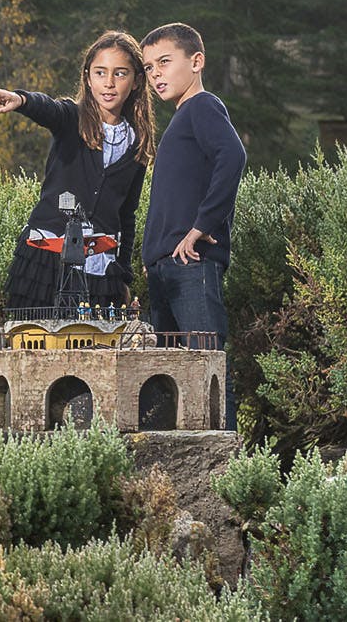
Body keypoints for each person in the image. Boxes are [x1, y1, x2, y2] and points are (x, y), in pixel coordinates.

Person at [0, 30, 155, 319]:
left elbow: (127, 214)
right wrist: (22, 100)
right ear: (87, 77)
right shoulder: (71, 118)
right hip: (46, 257)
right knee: (36, 343)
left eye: (120, 73)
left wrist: (123, 273)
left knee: (94, 349)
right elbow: (48, 109)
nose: (109, 83)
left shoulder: (137, 140)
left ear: (137, 80)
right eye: (100, 72)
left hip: (101, 266)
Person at [139, 23, 246, 426]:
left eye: (164, 62)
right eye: (149, 68)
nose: (156, 75)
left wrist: (203, 224)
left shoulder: (203, 106)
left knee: (207, 368)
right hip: (164, 268)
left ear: (196, 61)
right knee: (168, 378)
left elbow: (233, 157)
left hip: (191, 265)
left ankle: (225, 468)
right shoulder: (181, 121)